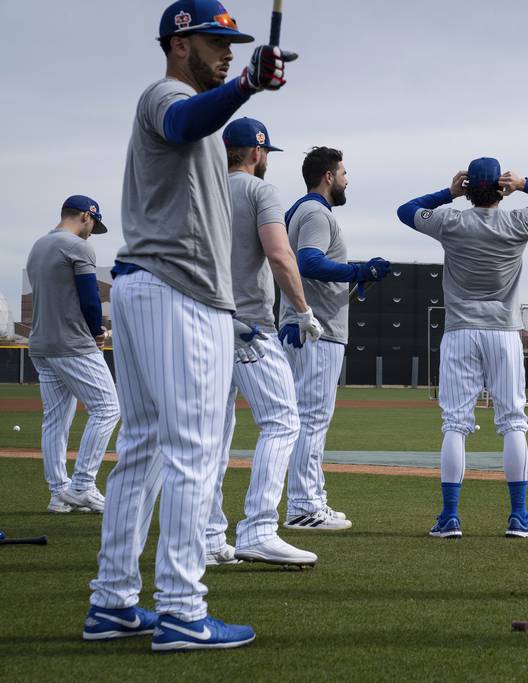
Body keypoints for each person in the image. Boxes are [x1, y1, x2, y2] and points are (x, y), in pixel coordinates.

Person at [85, 0, 296, 651]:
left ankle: (113, 601)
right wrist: (246, 86)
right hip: (178, 292)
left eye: (233, 43)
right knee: (191, 451)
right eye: (216, 40)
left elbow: (200, 123)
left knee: (147, 449)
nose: (228, 50)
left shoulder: (201, 112)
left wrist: (237, 89)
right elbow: (183, 120)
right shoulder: (168, 94)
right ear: (180, 43)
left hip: (150, 288)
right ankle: (181, 607)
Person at [398, 157, 528, 539]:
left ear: (469, 188)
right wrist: (525, 183)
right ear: (500, 188)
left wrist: (448, 192)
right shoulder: (518, 221)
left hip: (460, 330)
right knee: (513, 421)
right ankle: (519, 516)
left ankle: (449, 518)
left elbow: (405, 210)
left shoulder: (451, 221)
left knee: (454, 425)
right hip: (503, 331)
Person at [203, 117, 322, 568]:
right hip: (251, 325)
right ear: (256, 152)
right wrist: (304, 310)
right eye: (267, 152)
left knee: (214, 435)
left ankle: (211, 538)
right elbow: (279, 254)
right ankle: (258, 530)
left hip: (208, 324)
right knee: (283, 421)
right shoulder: (259, 191)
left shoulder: (204, 190)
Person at [278, 146, 391, 531]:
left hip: (308, 326)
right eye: (343, 172)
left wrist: (359, 277)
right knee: (311, 418)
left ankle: (311, 498)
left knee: (307, 417)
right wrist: (359, 268)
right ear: (328, 176)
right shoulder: (314, 211)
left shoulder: (300, 210)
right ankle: (303, 506)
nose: (346, 179)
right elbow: (309, 261)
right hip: (316, 330)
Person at [26, 195, 119, 514]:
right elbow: (90, 298)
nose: (92, 231)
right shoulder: (78, 247)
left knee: (55, 419)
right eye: (93, 223)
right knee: (108, 408)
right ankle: (83, 485)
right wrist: (98, 331)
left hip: (40, 344)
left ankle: (58, 493)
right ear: (84, 216)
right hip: (72, 343)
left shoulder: (38, 245)